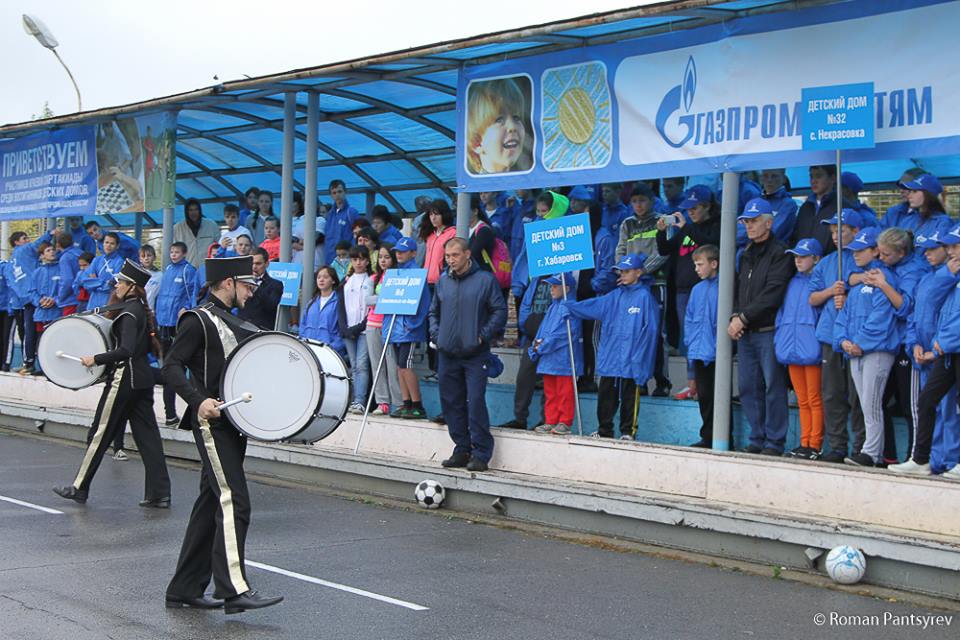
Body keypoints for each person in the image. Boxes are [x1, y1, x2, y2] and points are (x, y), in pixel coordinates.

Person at [163, 255, 283, 613]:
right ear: (228, 282)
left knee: (210, 503)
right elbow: (170, 365)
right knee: (234, 500)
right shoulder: (197, 320)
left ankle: (183, 588)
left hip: (232, 425)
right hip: (210, 423)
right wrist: (197, 400)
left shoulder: (231, 320)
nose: (250, 292)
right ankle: (232, 589)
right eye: (247, 285)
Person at [53, 259, 171, 507]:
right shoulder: (139, 309)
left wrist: (95, 358)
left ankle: (79, 487)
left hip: (124, 379)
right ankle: (159, 493)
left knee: (99, 432)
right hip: (142, 379)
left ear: (132, 287)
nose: (116, 285)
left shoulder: (128, 313)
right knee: (148, 438)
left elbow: (126, 350)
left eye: (121, 282)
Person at [562, 253, 659, 440]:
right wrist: (570, 307)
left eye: (627, 271)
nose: (622, 274)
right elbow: (591, 306)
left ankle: (627, 432)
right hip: (611, 358)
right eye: (621, 271)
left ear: (638, 272)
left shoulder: (645, 298)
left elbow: (651, 332)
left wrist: (641, 358)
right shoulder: (613, 297)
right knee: (605, 397)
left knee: (630, 397)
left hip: (632, 360)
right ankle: (604, 430)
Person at [429, 237, 507, 470]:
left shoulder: (485, 280)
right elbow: (433, 312)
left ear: (467, 255)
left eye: (455, 255)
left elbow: (500, 310)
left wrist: (481, 336)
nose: (450, 260)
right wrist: (436, 334)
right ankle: (462, 449)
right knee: (451, 403)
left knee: (475, 402)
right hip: (447, 353)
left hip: (475, 354)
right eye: (447, 256)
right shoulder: (443, 282)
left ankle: (481, 454)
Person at [890, 226, 960, 478]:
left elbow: (953, 318)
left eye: (953, 246)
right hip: (939, 352)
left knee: (951, 410)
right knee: (929, 403)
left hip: (944, 350)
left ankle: (948, 459)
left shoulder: (948, 276)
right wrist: (916, 344)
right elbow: (921, 311)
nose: (950, 251)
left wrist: (940, 345)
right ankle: (925, 459)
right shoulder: (938, 276)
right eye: (948, 247)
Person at [730, 198, 795, 455]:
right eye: (746, 221)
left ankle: (774, 442)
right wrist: (735, 315)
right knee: (748, 387)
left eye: (754, 220)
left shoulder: (781, 252)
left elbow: (773, 293)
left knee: (773, 387)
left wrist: (741, 318)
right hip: (747, 332)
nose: (749, 225)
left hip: (767, 331)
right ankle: (757, 438)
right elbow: (739, 290)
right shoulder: (745, 253)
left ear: (769, 223)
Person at [834, 227, 900, 467]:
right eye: (854, 250)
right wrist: (843, 341)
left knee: (872, 403)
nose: (855, 254)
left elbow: (881, 317)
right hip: (856, 351)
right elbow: (844, 316)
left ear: (875, 251)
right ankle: (872, 451)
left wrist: (859, 343)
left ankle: (871, 453)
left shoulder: (885, 279)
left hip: (877, 351)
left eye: (861, 250)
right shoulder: (860, 280)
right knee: (865, 403)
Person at [807, 210, 866, 463]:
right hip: (830, 335)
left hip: (856, 337)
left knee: (857, 394)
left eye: (840, 230)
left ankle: (861, 447)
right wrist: (832, 291)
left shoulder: (862, 258)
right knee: (831, 393)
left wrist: (848, 294)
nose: (834, 235)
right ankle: (838, 445)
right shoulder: (826, 262)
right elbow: (812, 297)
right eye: (832, 231)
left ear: (855, 231)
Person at [656, 184, 722, 401]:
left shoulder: (716, 225)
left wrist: (687, 228)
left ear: (707, 206)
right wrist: (661, 232)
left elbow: (710, 246)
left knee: (705, 338)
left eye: (695, 208)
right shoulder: (688, 230)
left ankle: (701, 384)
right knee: (688, 339)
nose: (690, 212)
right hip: (683, 292)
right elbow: (665, 249)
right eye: (688, 208)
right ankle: (691, 383)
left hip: (708, 291)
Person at [871, 227, 926, 463]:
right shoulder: (886, 266)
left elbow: (905, 307)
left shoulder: (915, 270)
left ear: (902, 253)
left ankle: (914, 457)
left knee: (908, 405)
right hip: (888, 343)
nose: (880, 258)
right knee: (879, 401)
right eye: (879, 253)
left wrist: (883, 285)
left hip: (907, 343)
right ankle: (889, 455)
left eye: (885, 254)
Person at [616, 183, 671, 396]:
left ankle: (662, 381)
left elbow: (664, 252)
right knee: (635, 333)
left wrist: (640, 270)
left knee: (657, 333)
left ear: (652, 200)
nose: (638, 205)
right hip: (633, 286)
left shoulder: (661, 220)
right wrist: (625, 272)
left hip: (656, 283)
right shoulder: (626, 224)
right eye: (634, 201)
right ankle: (639, 381)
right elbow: (620, 249)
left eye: (642, 200)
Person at [775, 238, 824, 459]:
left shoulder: (820, 282)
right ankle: (804, 442)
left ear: (816, 258)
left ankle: (815, 445)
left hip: (811, 348)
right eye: (796, 256)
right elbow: (782, 313)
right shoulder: (792, 282)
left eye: (803, 256)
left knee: (814, 398)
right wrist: (780, 338)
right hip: (791, 347)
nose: (798, 260)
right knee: (802, 399)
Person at [528, 272, 582, 436]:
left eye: (555, 286)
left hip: (564, 360)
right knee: (550, 392)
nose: (551, 289)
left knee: (565, 392)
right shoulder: (553, 307)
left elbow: (565, 333)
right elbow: (542, 330)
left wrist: (542, 346)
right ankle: (551, 420)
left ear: (566, 288)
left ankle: (564, 422)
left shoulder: (571, 307)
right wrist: (535, 345)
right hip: (549, 360)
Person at [383, 237, 430, 419]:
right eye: (397, 251)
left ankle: (417, 404)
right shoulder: (395, 273)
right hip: (395, 328)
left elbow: (424, 303)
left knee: (406, 365)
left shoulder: (417, 274)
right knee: (399, 367)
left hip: (408, 330)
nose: (398, 254)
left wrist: (413, 325)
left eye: (403, 251)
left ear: (413, 253)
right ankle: (406, 402)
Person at [156, 242, 199, 426]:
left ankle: (191, 412)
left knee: (176, 368)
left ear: (184, 253)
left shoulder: (188, 270)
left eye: (177, 252)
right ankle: (170, 414)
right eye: (171, 251)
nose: (173, 255)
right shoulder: (167, 269)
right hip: (163, 322)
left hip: (177, 325)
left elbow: (192, 295)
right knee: (167, 368)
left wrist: (186, 310)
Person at [684, 245, 720, 448]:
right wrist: (690, 343)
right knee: (704, 398)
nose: (696, 269)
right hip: (698, 351)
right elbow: (689, 319)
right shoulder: (696, 290)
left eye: (700, 264)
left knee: (717, 399)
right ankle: (708, 437)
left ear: (714, 264)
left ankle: (722, 437)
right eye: (695, 265)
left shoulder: (724, 286)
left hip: (716, 353)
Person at [8, 229, 56, 374]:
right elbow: (36, 244)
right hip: (34, 301)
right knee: (37, 333)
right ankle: (39, 364)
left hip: (26, 300)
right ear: (17, 242)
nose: (28, 240)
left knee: (29, 333)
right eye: (24, 238)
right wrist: (50, 233)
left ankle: (29, 363)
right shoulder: (24, 251)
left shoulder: (14, 257)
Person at [465, 78, 532, 175]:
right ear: (477, 143)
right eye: (499, 120)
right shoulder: (473, 189)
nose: (512, 126)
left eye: (516, 117)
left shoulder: (527, 185)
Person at [365, 248, 403, 415]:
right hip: (373, 325)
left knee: (392, 365)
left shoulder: (399, 278)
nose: (383, 260)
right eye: (380, 257)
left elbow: (399, 299)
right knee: (376, 365)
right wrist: (388, 298)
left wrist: (381, 299)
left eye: (387, 257)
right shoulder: (373, 278)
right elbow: (367, 300)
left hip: (391, 326)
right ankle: (382, 402)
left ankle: (399, 402)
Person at [337, 247, 374, 413]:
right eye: (355, 259)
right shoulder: (346, 281)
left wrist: (359, 327)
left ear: (367, 261)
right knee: (353, 365)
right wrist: (344, 327)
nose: (358, 262)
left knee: (361, 365)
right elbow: (341, 306)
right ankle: (352, 399)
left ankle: (360, 400)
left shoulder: (371, 280)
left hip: (364, 330)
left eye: (361, 259)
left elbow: (370, 309)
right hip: (348, 330)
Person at [792, 165, 849, 253]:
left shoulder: (843, 206)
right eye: (811, 176)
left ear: (833, 178)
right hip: (804, 263)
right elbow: (796, 236)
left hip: (831, 264)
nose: (813, 181)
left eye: (818, 176)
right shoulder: (805, 207)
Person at [735, 168, 798, 247]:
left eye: (774, 176)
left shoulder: (788, 204)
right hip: (749, 254)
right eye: (765, 176)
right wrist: (759, 230)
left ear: (784, 179)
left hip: (773, 256)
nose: (769, 180)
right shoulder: (754, 200)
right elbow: (736, 234)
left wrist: (749, 231)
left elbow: (773, 233)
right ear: (761, 178)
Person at [300, 266, 344, 353]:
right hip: (310, 350)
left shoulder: (339, 302)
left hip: (329, 351)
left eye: (325, 277)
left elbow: (342, 330)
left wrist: (332, 347)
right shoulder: (311, 303)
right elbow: (303, 326)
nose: (321, 279)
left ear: (333, 280)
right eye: (319, 277)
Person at [237, 248, 282, 330]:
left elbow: (271, 306)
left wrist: (257, 288)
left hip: (261, 332)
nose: (254, 267)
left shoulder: (276, 284)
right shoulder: (241, 282)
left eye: (258, 264)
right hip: (241, 329)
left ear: (267, 264)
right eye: (252, 263)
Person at [30, 243, 62, 355]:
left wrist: (55, 300)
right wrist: (40, 301)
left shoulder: (61, 269)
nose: (52, 252)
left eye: (53, 249)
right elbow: (32, 291)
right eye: (48, 250)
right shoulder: (36, 272)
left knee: (56, 340)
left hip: (57, 313)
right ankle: (40, 365)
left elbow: (65, 289)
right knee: (42, 340)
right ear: (42, 255)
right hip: (41, 314)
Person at [82, 232, 126, 310]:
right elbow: (85, 282)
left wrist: (95, 282)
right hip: (92, 302)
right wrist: (104, 282)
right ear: (103, 244)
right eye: (106, 242)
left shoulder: (119, 262)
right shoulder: (96, 260)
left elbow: (113, 284)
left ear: (117, 246)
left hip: (108, 302)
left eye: (112, 243)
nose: (108, 245)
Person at [174, 199, 220, 269]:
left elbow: (219, 246)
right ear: (186, 212)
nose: (193, 213)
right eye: (190, 210)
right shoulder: (178, 228)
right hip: (186, 270)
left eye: (196, 209)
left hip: (207, 268)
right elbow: (173, 251)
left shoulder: (211, 225)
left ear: (200, 210)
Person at [324, 179, 360, 263]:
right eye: (334, 193)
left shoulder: (351, 212)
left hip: (345, 258)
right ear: (331, 195)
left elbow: (358, 235)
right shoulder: (330, 214)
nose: (337, 195)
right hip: (329, 257)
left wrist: (352, 253)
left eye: (340, 191)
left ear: (345, 192)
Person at [56, 233, 84, 315]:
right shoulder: (81, 253)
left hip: (70, 300)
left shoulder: (65, 258)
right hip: (84, 297)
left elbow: (67, 281)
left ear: (58, 244)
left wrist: (60, 297)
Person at [139, 245, 163, 311]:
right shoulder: (136, 273)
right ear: (140, 259)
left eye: (149, 255)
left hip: (151, 311)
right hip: (137, 310)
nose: (146, 258)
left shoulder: (160, 275)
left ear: (154, 257)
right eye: (143, 256)